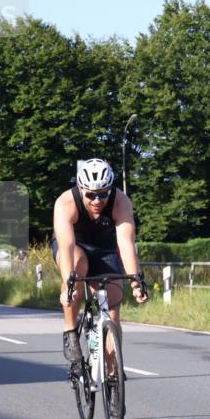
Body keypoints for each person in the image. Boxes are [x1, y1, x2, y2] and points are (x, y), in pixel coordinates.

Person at [52, 159, 148, 378]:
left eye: (103, 193)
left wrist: (136, 282)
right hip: (75, 246)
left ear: (110, 189)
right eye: (91, 195)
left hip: (105, 248)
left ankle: (113, 371)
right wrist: (68, 284)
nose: (97, 200)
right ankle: (70, 332)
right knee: (78, 266)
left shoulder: (120, 201)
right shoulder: (66, 203)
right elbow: (66, 247)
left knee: (112, 310)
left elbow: (126, 243)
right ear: (81, 189)